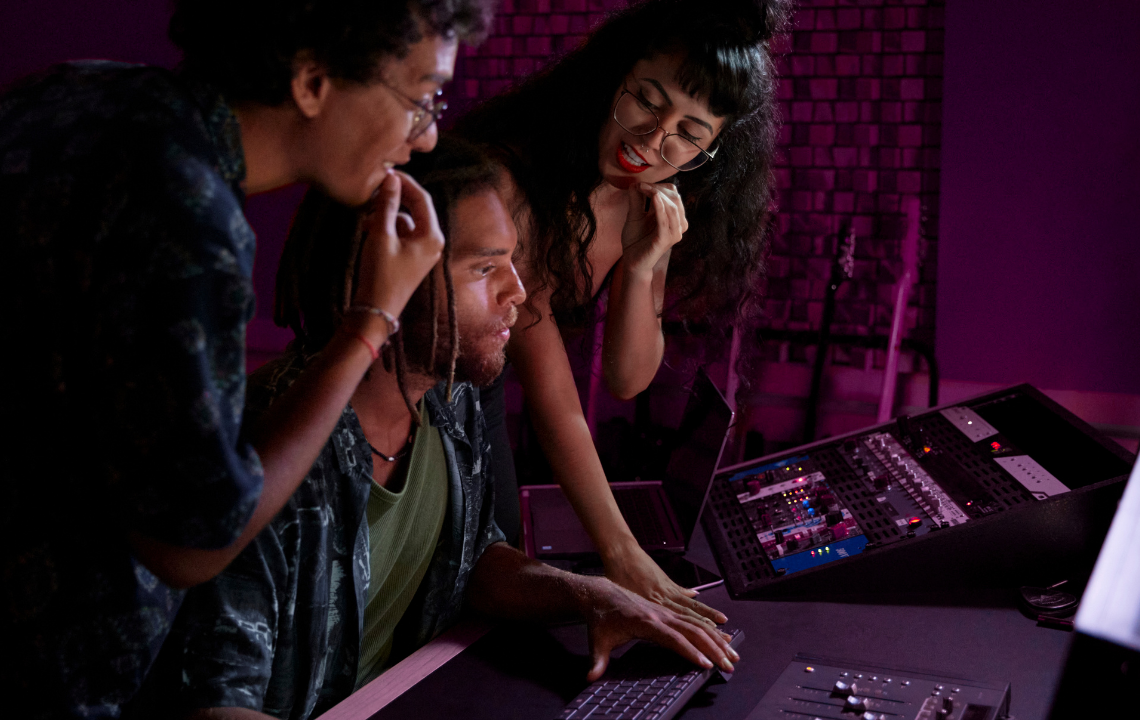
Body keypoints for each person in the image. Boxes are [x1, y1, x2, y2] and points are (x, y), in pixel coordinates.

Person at [0, 1, 495, 716]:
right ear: (313, 80)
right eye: (421, 98)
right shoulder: (186, 213)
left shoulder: (63, 92)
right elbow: (192, 545)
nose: (428, 135)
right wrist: (369, 322)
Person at [133, 137, 738, 720]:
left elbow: (469, 563)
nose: (517, 292)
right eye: (484, 268)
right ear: (389, 276)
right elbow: (211, 704)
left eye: (511, 262)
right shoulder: (275, 445)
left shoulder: (449, 396)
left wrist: (591, 594)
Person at [455, 0, 785, 621]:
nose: (654, 140)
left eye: (689, 134)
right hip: (413, 394)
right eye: (647, 102)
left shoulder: (649, 196)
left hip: (483, 393)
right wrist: (621, 551)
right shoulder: (511, 179)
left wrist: (640, 266)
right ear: (614, 77)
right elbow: (554, 400)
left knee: (489, 574)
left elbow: (627, 378)